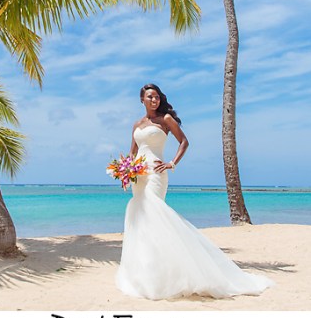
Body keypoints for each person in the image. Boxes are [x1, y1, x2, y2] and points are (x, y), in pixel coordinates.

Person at [115, 83, 275, 300]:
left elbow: (184, 142)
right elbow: (133, 152)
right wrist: (125, 172)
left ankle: (185, 269)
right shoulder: (137, 123)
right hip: (138, 177)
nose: (155, 100)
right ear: (142, 99)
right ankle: (148, 274)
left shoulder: (166, 120)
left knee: (156, 214)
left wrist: (172, 163)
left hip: (156, 173)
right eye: (150, 97)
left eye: (157, 97)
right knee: (142, 222)